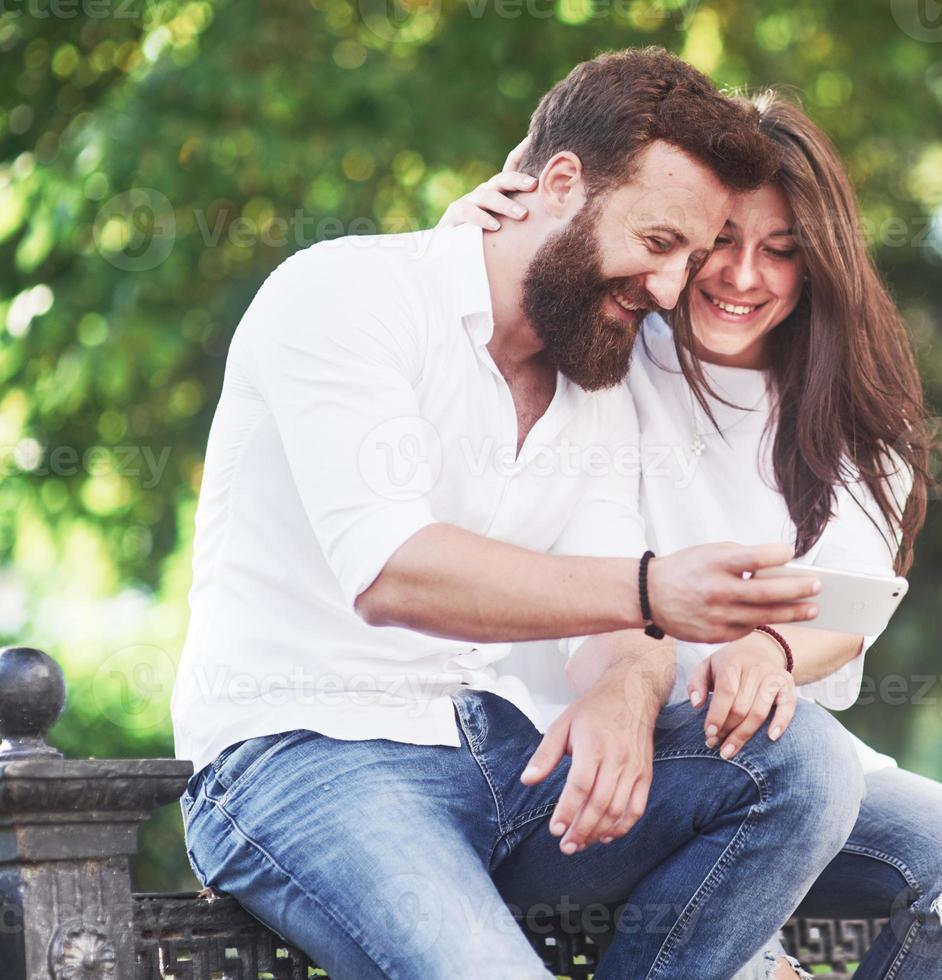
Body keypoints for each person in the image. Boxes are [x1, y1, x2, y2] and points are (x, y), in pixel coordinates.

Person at [171, 49, 871, 980]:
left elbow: (618, 615)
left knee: (801, 764)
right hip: (307, 757)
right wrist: (654, 591)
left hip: (506, 756)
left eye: (686, 260)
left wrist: (626, 691)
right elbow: (393, 572)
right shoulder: (343, 295)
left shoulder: (595, 380)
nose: (670, 291)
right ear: (561, 183)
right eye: (659, 244)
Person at [442, 89, 942, 979]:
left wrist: (768, 649)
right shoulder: (611, 344)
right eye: (721, 242)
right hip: (593, 750)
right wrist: (469, 231)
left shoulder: (852, 413)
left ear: (821, 263)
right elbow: (520, 282)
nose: (742, 277)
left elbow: (852, 599)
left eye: (783, 252)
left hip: (767, 752)